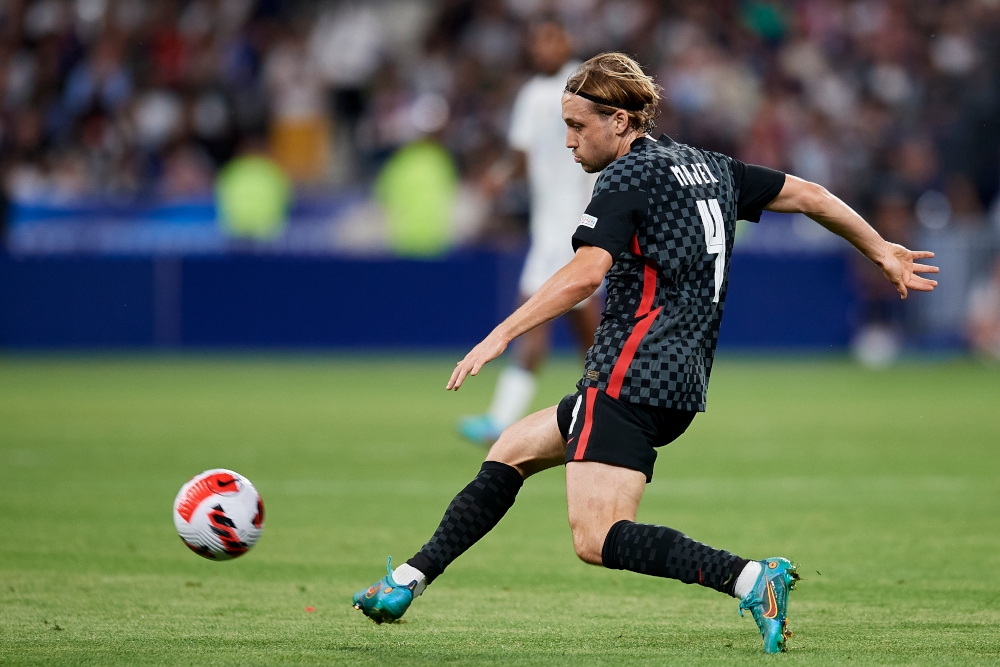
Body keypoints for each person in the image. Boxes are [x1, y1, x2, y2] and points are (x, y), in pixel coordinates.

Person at [353, 53, 939, 653]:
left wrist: (501, 334)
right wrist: (881, 250)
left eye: (579, 126)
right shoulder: (709, 166)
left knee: (597, 538)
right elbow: (811, 195)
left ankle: (749, 578)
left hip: (627, 378)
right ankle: (407, 580)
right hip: (677, 380)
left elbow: (586, 274)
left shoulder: (627, 179)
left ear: (621, 120)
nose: (568, 141)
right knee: (512, 450)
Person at [458, 20, 601, 444]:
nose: (543, 50)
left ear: (566, 41)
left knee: (531, 314)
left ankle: (502, 419)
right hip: (549, 227)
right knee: (585, 328)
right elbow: (520, 155)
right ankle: (609, 403)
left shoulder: (590, 85)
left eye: (551, 40)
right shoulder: (532, 95)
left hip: (576, 224)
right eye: (537, 43)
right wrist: (500, 176)